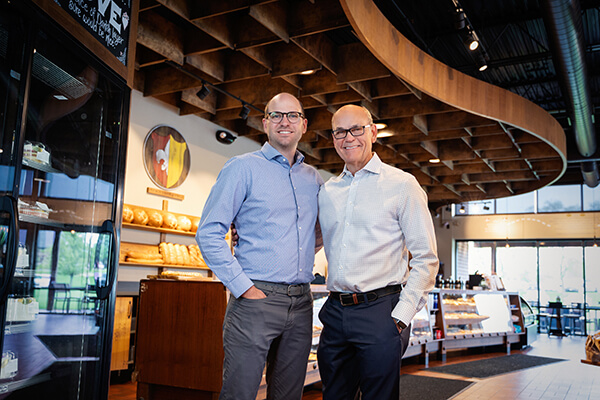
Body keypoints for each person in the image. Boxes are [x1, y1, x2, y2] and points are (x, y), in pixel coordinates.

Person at [196, 92, 323, 400]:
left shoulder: (313, 178)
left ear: (304, 125)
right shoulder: (242, 168)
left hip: (302, 303)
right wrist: (244, 288)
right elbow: (209, 232)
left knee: (289, 395)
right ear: (265, 123)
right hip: (256, 299)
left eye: (292, 115)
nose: (284, 122)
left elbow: (318, 233)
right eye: (276, 115)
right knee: (240, 393)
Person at [316, 104, 439, 400]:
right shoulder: (328, 191)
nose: (348, 138)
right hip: (335, 311)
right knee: (334, 395)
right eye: (339, 132)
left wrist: (401, 316)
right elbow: (312, 240)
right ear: (333, 138)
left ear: (373, 132)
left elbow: (426, 258)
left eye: (356, 129)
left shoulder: (402, 185)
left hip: (381, 311)